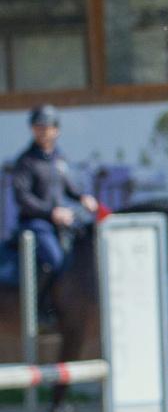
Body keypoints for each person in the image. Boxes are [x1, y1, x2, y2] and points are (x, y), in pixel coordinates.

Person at [10, 105, 99, 287]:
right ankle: (42, 301)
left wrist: (83, 197)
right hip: (36, 224)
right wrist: (51, 212)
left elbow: (69, 187)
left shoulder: (59, 159)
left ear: (56, 130)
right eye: (38, 127)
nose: (42, 132)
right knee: (56, 260)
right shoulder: (26, 162)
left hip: (61, 223)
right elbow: (22, 197)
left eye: (47, 127)